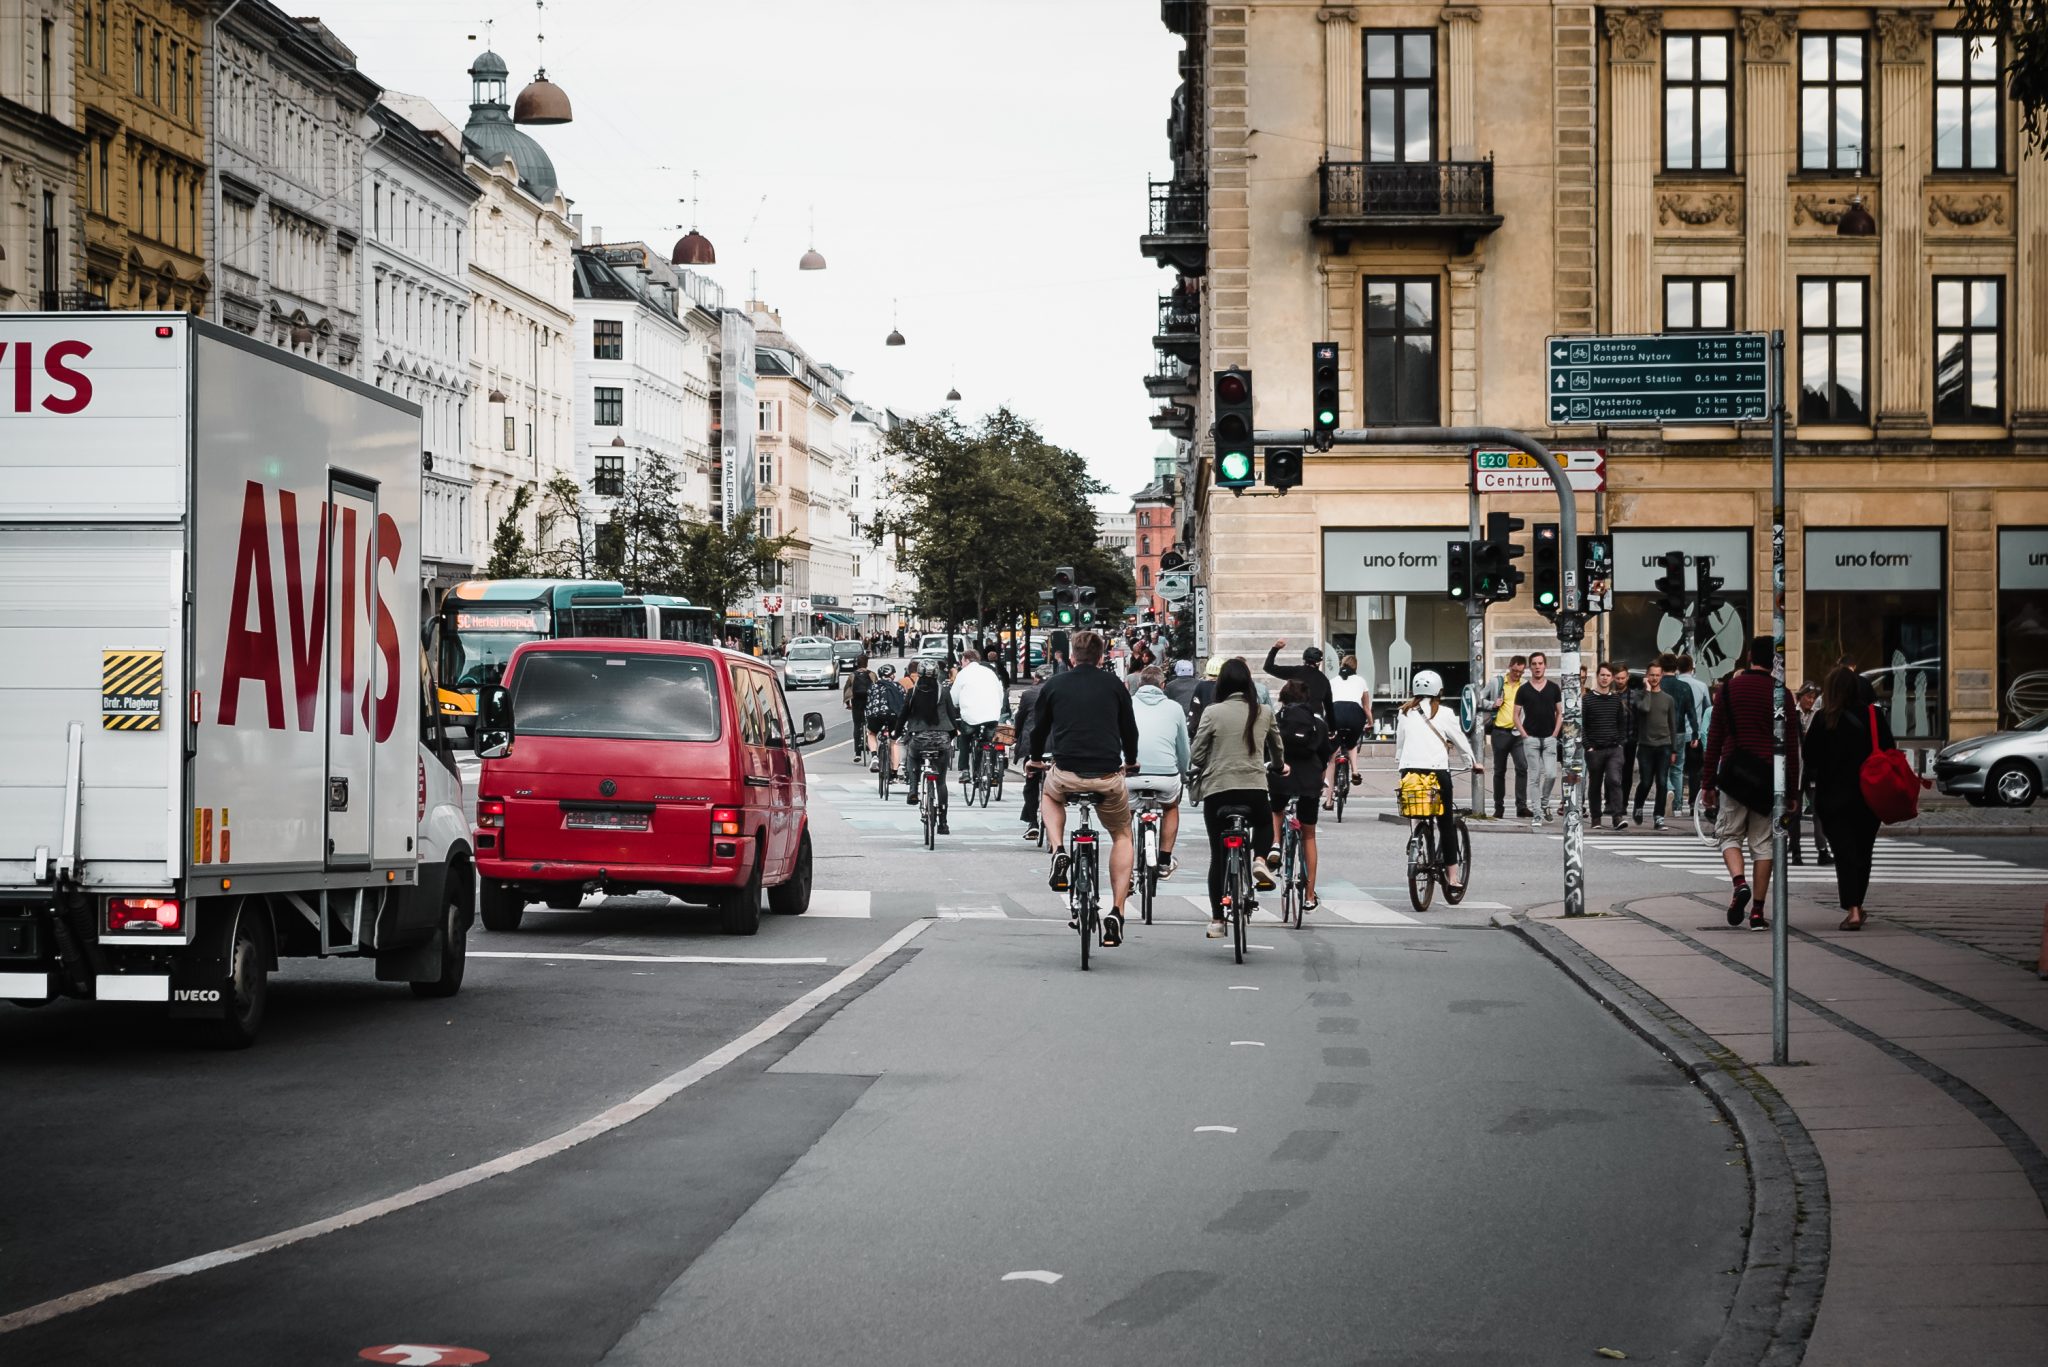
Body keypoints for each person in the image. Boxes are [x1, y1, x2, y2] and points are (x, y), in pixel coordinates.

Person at [1026, 630, 1141, 946]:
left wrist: (1036, 760)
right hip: (1106, 775)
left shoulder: (1055, 685)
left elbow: (1039, 730)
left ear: (1072, 658)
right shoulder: (1115, 686)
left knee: (1050, 795)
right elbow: (1129, 731)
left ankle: (1059, 849)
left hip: (1066, 773)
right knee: (1121, 835)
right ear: (1102, 658)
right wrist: (1130, 760)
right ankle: (1116, 910)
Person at [1702, 635, 1801, 932]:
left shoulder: (1729, 688)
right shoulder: (1783, 694)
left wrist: (1708, 782)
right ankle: (1757, 912)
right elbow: (1791, 746)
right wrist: (1793, 790)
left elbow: (1715, 738)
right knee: (1763, 845)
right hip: (1769, 780)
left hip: (1735, 777)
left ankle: (1738, 883)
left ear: (1749, 656)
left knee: (1729, 835)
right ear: (1776, 661)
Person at [1190, 657, 1281, 939]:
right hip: (1253, 788)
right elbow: (1277, 747)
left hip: (1218, 791)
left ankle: (1218, 920)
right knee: (1265, 823)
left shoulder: (1213, 712)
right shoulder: (1263, 711)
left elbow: (1196, 754)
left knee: (1218, 857)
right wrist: (1278, 766)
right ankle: (1260, 859)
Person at [1801, 665, 1890, 931]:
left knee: (1844, 853)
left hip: (1833, 797)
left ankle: (1853, 909)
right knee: (1863, 852)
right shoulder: (1874, 716)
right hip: (1869, 795)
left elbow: (1810, 757)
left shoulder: (1822, 719)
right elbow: (1889, 749)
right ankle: (1856, 906)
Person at [1394, 669, 1479, 888]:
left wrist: (1401, 762)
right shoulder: (1445, 713)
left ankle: (1416, 837)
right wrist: (1472, 763)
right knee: (1445, 822)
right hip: (1436, 771)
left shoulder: (1404, 712)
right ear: (1439, 690)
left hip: (1409, 770)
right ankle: (1452, 876)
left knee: (1416, 807)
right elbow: (1459, 740)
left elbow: (1400, 743)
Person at [1268, 677, 1334, 911]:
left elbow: (1268, 751)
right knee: (1308, 837)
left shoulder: (1276, 720)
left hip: (1281, 779)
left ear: (1283, 698)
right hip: (1308, 783)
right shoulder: (1318, 723)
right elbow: (1326, 754)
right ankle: (1308, 895)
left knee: (1276, 810)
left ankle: (1275, 843)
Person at [1128, 665, 1191, 879]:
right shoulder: (1174, 708)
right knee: (1171, 807)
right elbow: (1183, 749)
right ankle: (1164, 859)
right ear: (1163, 685)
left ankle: (1125, 860)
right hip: (1166, 776)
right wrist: (1184, 775)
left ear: (1139, 684)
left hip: (1130, 775)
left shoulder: (1127, 704)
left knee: (1124, 814)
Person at [900, 666, 962, 831]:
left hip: (919, 738)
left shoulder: (913, 692)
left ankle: (913, 789)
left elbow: (903, 714)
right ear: (937, 675)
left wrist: (896, 732)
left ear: (919, 675)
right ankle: (943, 823)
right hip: (942, 740)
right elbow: (951, 715)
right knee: (941, 782)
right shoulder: (944, 692)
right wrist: (953, 734)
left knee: (912, 756)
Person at [1582, 662, 1633, 829]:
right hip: (1594, 749)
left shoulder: (1616, 700)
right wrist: (1588, 745)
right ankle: (1596, 818)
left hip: (1613, 748)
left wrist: (1620, 743)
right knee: (1595, 784)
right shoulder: (1587, 700)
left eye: (1608, 675)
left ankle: (1617, 816)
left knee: (1614, 779)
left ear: (1612, 678)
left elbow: (1621, 723)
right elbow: (1581, 725)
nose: (1605, 678)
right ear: (1597, 676)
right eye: (1602, 675)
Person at [1515, 651, 1563, 824]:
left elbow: (1560, 713)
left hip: (1550, 738)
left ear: (1545, 666)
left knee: (1550, 774)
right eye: (1534, 664)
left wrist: (1556, 733)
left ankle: (1544, 802)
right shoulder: (1523, 689)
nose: (1537, 667)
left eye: (1540, 663)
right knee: (1534, 777)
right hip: (1531, 739)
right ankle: (1537, 813)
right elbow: (1516, 715)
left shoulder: (1553, 688)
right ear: (1530, 667)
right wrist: (1525, 736)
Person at [1631, 659, 1680, 829]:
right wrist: (1648, 691)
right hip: (1645, 746)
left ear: (1662, 676)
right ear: (1646, 676)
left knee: (1662, 782)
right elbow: (1645, 709)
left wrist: (1674, 749)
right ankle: (1638, 806)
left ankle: (1658, 816)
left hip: (1664, 745)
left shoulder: (1668, 699)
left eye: (1657, 675)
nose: (1654, 678)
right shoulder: (1639, 696)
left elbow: (1673, 725)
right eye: (1651, 675)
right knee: (1645, 781)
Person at [1790, 681, 1834, 866]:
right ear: (1800, 697)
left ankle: (1822, 851)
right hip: (1795, 769)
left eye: (1813, 697)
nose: (1811, 700)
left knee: (1818, 811)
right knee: (1794, 812)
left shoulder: (1818, 716)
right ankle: (1796, 852)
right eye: (1808, 696)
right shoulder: (1791, 714)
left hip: (1813, 769)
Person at [950, 647, 1006, 784]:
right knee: (988, 742)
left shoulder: (963, 673)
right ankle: (991, 772)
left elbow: (953, 697)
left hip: (971, 717)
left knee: (964, 739)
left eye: (962, 661)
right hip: (992, 716)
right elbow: (1000, 693)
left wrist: (957, 706)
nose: (961, 664)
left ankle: (965, 771)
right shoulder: (990, 672)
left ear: (967, 660)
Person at [1485, 655, 1531, 819]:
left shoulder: (1525, 685)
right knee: (1499, 771)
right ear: (1509, 666)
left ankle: (1521, 806)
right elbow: (1479, 699)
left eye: (1520, 672)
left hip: (1518, 733)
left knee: (1522, 767)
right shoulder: (1497, 682)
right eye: (1514, 670)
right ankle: (1499, 807)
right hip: (1500, 732)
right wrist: (1492, 704)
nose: (1517, 674)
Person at [1014, 665, 1052, 839]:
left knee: (1031, 784)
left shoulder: (1028, 694)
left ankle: (1033, 823)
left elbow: (1020, 718)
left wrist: (1016, 737)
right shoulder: (1061, 692)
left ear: (1036, 677)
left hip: (1033, 744)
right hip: (1055, 746)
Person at [1672, 653, 1712, 814]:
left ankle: (1677, 803)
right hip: (1696, 734)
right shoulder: (1701, 686)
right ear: (1692, 668)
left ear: (1677, 668)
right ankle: (1691, 804)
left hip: (1677, 732)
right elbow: (1708, 708)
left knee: (1677, 769)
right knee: (1695, 771)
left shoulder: (1675, 684)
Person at [1263, 639, 1334, 725]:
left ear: (1304, 660)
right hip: (1314, 722)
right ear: (1318, 663)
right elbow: (1329, 707)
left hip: (1291, 719)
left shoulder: (1294, 671)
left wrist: (1275, 648)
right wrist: (1332, 729)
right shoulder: (1324, 680)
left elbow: (1268, 667)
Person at [1328, 653, 1370, 798]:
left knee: (1333, 754)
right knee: (1351, 744)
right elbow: (1366, 707)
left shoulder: (1332, 681)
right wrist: (1370, 723)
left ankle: (1328, 801)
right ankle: (1355, 771)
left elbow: (1326, 704)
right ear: (1355, 666)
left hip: (1335, 713)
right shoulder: (1361, 681)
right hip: (1355, 715)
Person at [864, 662, 906, 775]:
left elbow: (868, 703)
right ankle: (895, 771)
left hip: (876, 714)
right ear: (892, 675)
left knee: (871, 733)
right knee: (894, 741)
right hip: (893, 716)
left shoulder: (873, 686)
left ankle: (874, 757)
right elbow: (904, 703)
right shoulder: (898, 686)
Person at [1615, 664, 1644, 799]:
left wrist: (1636, 737)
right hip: (1613, 740)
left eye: (1622, 678)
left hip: (1630, 739)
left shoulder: (1634, 696)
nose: (1620, 681)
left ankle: (1624, 801)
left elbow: (1639, 717)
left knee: (1627, 773)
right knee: (1612, 772)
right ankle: (1611, 801)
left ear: (1627, 678)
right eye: (1618, 678)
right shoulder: (1611, 695)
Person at [843, 654, 875, 763]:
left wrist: (848, 703)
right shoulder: (871, 674)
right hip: (870, 702)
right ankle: (873, 750)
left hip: (857, 702)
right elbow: (877, 687)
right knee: (871, 726)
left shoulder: (852, 675)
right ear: (867, 663)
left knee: (857, 725)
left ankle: (857, 753)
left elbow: (847, 689)